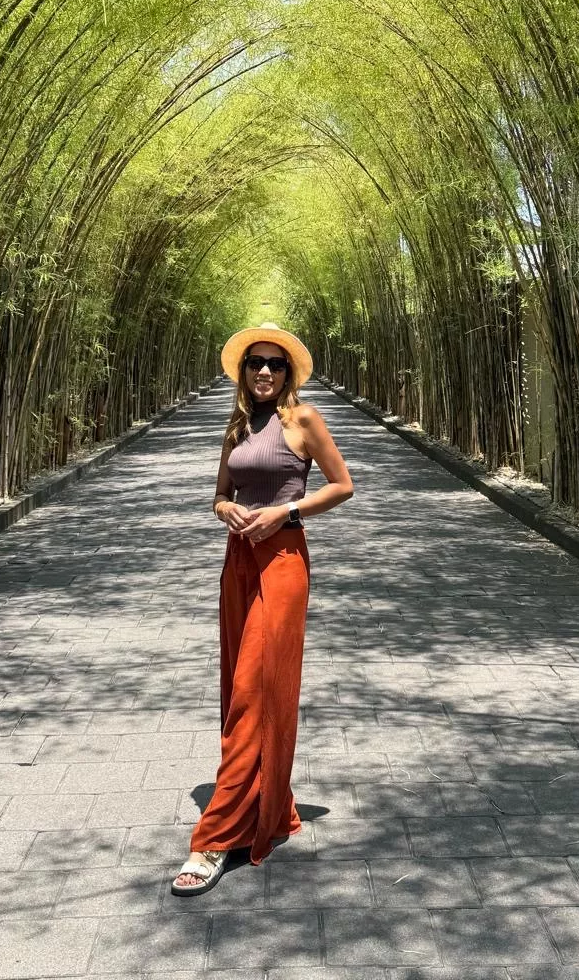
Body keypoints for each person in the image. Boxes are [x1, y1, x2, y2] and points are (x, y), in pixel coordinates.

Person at [171, 322, 354, 895]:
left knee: (255, 688)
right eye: (256, 363)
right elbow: (220, 494)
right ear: (244, 373)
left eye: (276, 363)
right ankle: (267, 804)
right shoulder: (237, 424)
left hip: (283, 562)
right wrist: (224, 509)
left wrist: (286, 512)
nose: (266, 372)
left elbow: (343, 485)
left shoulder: (303, 420)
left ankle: (214, 838)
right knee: (239, 690)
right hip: (238, 562)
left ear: (289, 372)